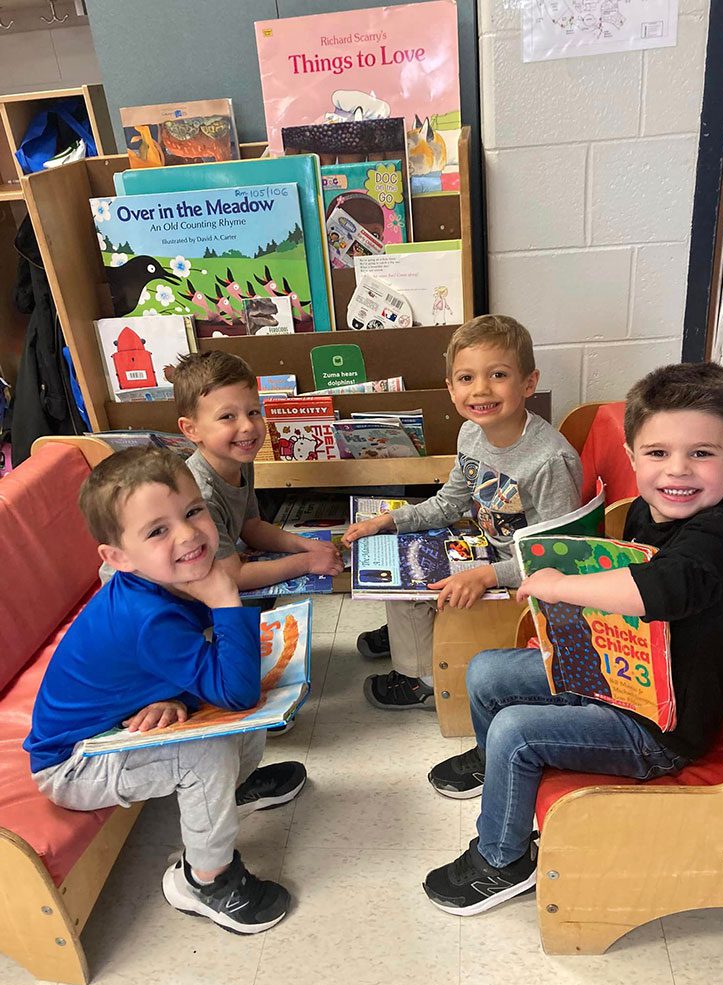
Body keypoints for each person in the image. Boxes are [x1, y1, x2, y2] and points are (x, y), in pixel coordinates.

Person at [423, 361, 723, 916]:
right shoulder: (654, 511)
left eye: (702, 453)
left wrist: (563, 585)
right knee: (486, 673)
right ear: (632, 458)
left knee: (517, 730)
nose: (678, 471)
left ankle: (501, 862)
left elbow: (668, 586)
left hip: (660, 729)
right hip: (615, 677)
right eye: (657, 453)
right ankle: (493, 766)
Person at [24, 447, 307, 934]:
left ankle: (231, 792)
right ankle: (205, 879)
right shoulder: (149, 614)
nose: (188, 534)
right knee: (210, 746)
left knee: (251, 686)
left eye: (193, 511)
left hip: (116, 721)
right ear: (118, 558)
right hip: (72, 763)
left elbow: (207, 673)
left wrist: (174, 695)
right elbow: (233, 692)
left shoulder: (166, 578)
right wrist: (225, 599)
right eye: (157, 530)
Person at [342, 315, 582, 710]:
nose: (481, 389)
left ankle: (422, 679)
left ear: (529, 383)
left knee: (420, 591)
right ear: (450, 388)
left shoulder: (549, 459)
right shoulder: (470, 433)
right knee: (400, 551)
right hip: (488, 550)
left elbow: (555, 555)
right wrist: (389, 520)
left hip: (521, 579)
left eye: (498, 375)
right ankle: (411, 633)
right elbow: (450, 503)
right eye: (466, 378)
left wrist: (487, 575)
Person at [173, 350, 343, 594]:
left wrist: (309, 546)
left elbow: (251, 526)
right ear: (191, 429)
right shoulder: (201, 495)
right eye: (227, 416)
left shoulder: (240, 460)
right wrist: (306, 562)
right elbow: (232, 576)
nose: (247, 426)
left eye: (253, 412)